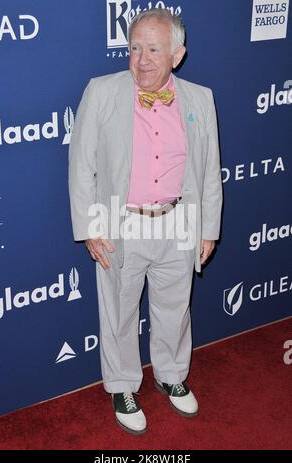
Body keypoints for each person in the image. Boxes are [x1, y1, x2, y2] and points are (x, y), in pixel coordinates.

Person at [68, 8, 222, 435]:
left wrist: (208, 227)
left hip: (178, 221)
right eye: (135, 48)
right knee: (117, 309)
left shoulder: (200, 97)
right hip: (121, 223)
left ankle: (172, 376)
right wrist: (91, 226)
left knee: (175, 308)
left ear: (177, 54)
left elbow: (209, 168)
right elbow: (82, 164)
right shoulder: (101, 92)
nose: (142, 60)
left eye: (154, 49)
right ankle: (121, 385)